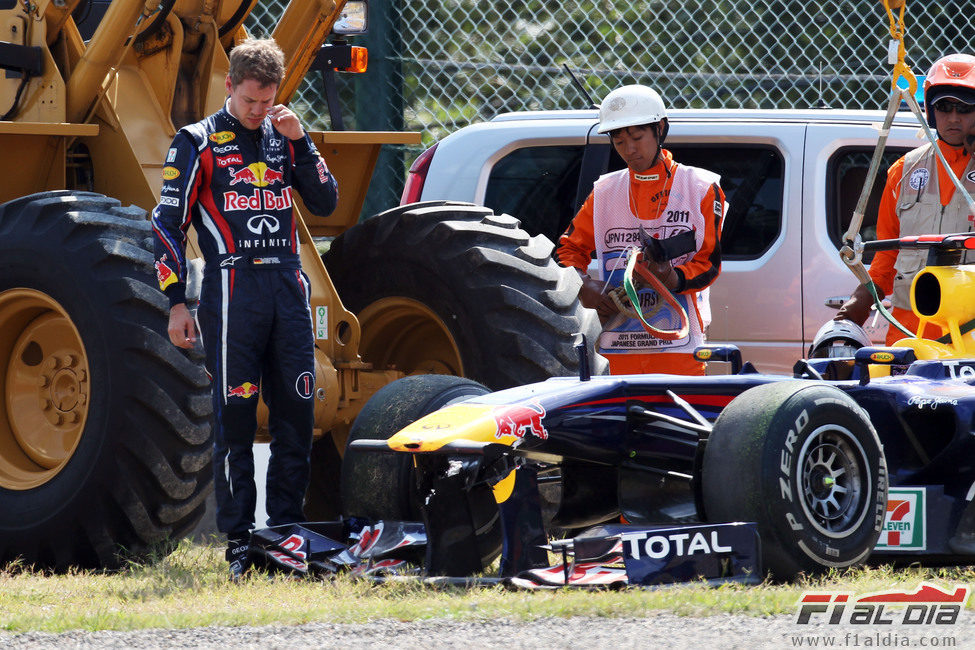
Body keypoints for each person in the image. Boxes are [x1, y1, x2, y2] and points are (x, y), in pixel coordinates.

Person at [152, 37, 338, 579]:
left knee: (297, 414)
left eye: (268, 100)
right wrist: (174, 303)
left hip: (288, 286)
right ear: (230, 86)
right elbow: (166, 224)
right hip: (232, 290)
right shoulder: (197, 141)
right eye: (251, 101)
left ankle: (285, 531)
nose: (260, 111)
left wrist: (301, 143)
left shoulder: (285, 136)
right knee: (234, 420)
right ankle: (238, 540)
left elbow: (326, 201)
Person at [557, 84, 725, 375]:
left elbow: (708, 264)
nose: (630, 149)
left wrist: (671, 278)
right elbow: (568, 250)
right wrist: (584, 286)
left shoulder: (701, 187)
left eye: (637, 137)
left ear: (660, 129)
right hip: (615, 348)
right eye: (619, 141)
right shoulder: (605, 192)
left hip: (679, 348)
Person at [835, 53, 975, 342]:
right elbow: (887, 255)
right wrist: (855, 307)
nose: (953, 118)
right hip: (910, 331)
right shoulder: (904, 170)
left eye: (964, 109)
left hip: (968, 331)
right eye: (944, 107)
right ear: (929, 111)